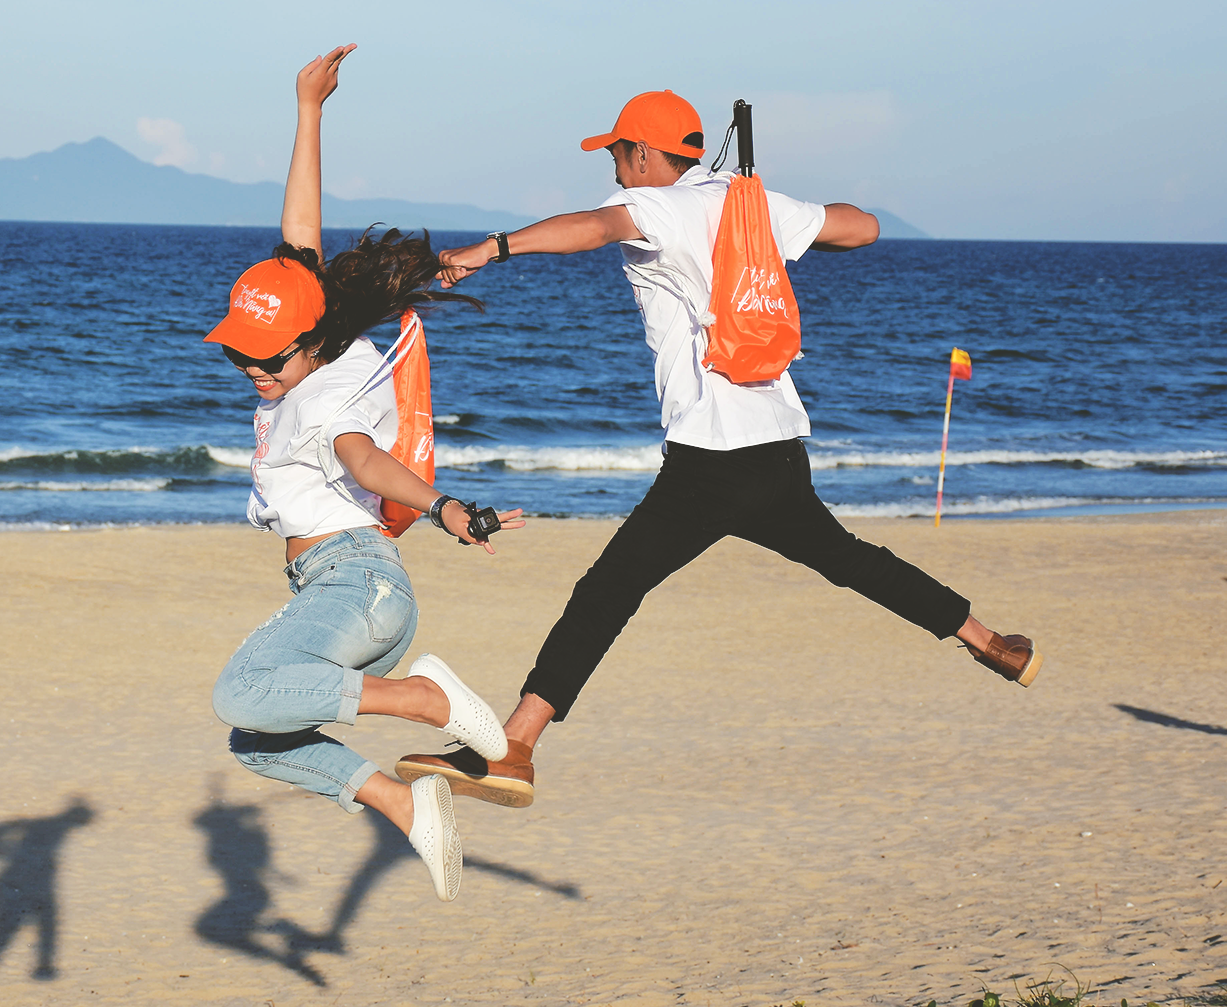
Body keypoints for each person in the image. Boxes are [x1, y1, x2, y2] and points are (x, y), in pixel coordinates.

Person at [398, 89, 1042, 809]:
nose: (614, 169)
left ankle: (516, 746)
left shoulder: (658, 206)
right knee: (853, 561)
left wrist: (491, 248)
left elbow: (594, 226)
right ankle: (992, 643)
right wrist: (766, 212)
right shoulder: (747, 202)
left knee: (608, 591)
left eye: (618, 154)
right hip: (778, 450)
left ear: (645, 153)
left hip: (712, 459)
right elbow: (863, 228)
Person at [206, 44, 526, 904]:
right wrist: (309, 109)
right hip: (342, 595)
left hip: (360, 583)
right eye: (240, 355)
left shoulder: (330, 388)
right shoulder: (316, 340)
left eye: (267, 358)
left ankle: (424, 699)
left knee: (238, 689)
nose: (254, 370)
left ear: (310, 343)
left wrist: (445, 506)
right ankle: (402, 803)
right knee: (257, 733)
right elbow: (299, 241)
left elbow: (363, 459)